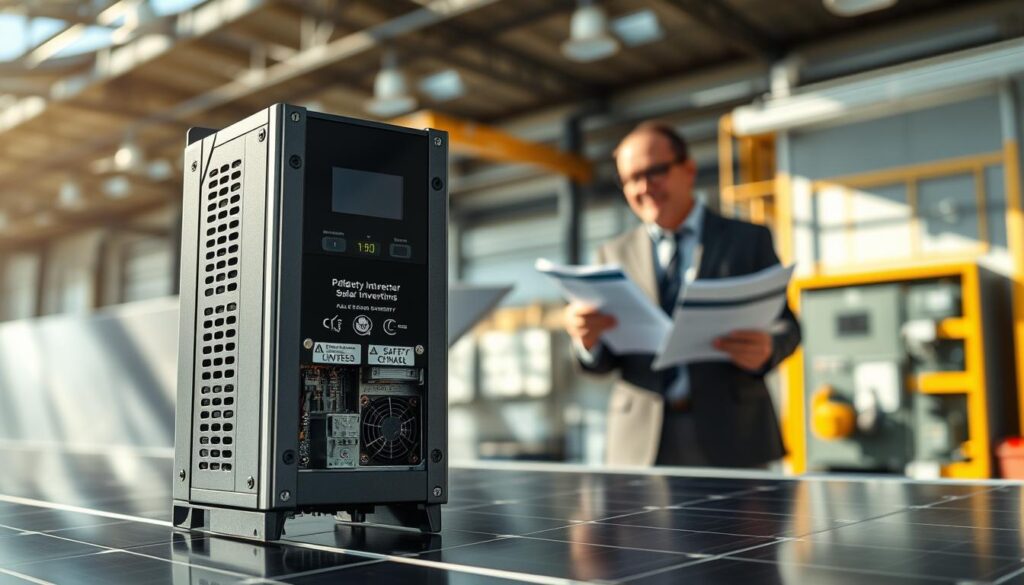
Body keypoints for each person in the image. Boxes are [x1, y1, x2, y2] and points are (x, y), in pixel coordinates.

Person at [565, 121, 801, 467]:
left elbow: (788, 326)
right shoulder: (612, 254)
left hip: (734, 434)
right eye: (630, 179)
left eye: (655, 171)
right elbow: (603, 362)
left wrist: (768, 348)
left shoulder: (748, 240)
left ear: (688, 169)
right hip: (641, 441)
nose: (644, 187)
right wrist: (587, 341)